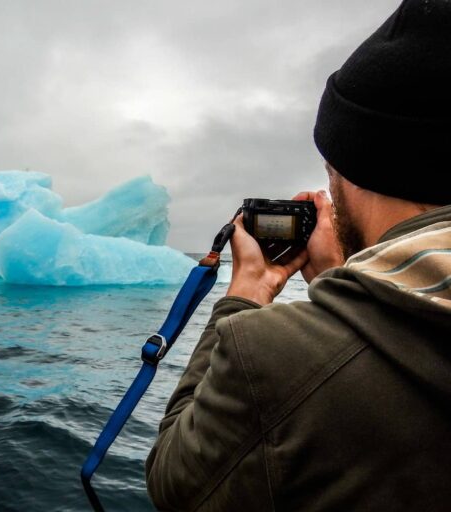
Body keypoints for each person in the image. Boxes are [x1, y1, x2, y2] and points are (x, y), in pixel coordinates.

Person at [145, 0, 451, 510]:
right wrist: (341, 276)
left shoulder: (272, 355)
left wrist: (247, 292)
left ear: (353, 171)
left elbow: (174, 484)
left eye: (331, 171)